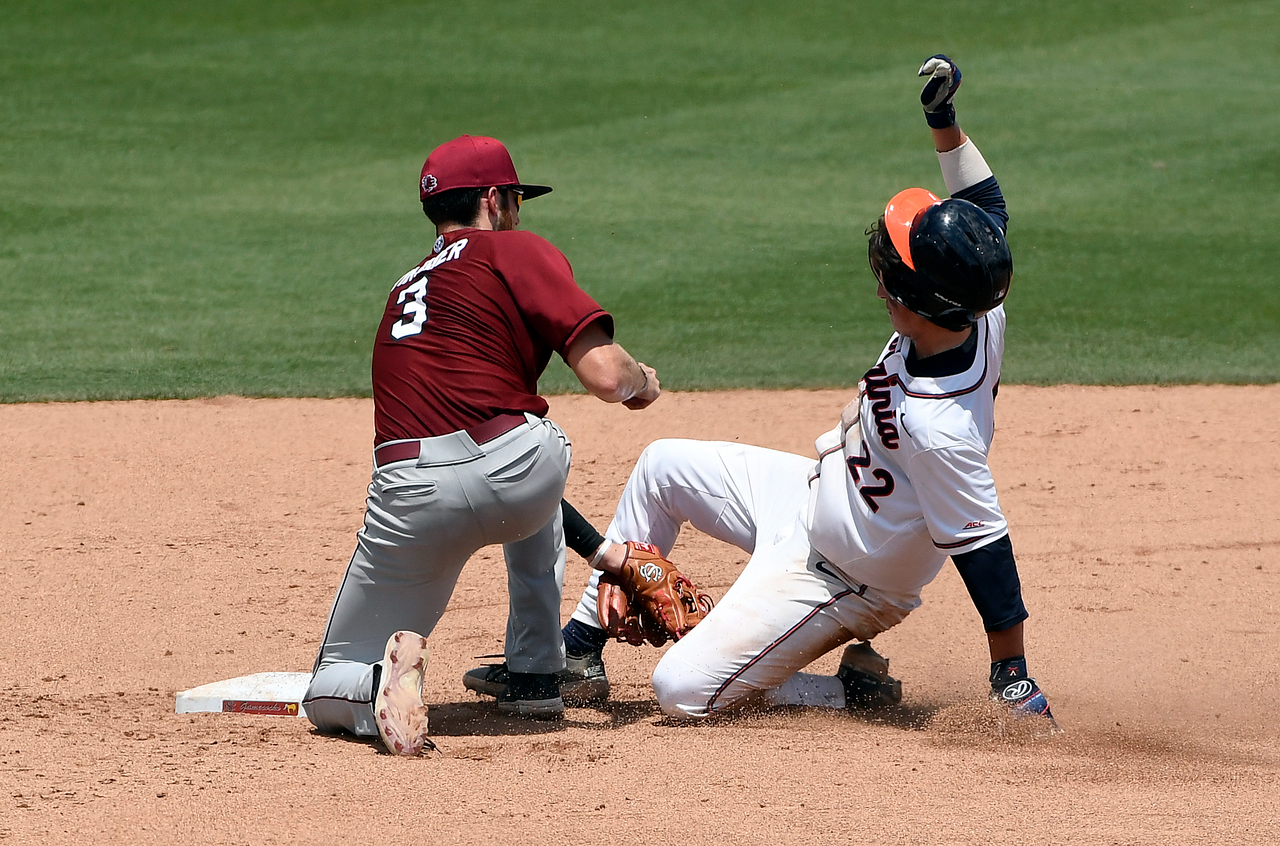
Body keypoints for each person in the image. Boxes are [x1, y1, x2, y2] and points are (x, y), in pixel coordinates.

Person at [472, 55, 1058, 728]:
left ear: (908, 299)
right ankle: (579, 650)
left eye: (890, 268)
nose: (878, 272)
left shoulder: (940, 429)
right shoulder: (976, 308)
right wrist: (943, 121)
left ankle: (848, 694)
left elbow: (985, 545)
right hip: (807, 494)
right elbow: (987, 209)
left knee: (681, 689)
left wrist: (1010, 674)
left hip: (844, 582)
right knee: (663, 464)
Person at [301, 134, 662, 755]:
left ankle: (373, 686)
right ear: (493, 200)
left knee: (326, 682)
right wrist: (642, 384)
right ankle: (536, 672)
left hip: (408, 494)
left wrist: (603, 553)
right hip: (517, 470)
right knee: (532, 462)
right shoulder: (512, 250)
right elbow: (605, 375)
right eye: (516, 199)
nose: (520, 213)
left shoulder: (403, 290)